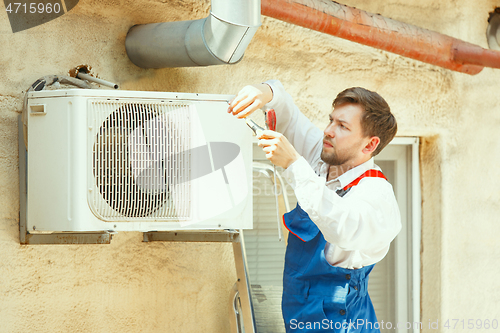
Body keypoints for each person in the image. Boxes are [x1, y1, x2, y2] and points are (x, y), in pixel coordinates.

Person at [227, 80, 401, 332]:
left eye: (342, 126)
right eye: (331, 120)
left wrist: (294, 165)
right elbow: (289, 114)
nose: (328, 131)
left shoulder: (377, 196)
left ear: (370, 145)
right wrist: (264, 92)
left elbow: (343, 228)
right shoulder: (324, 159)